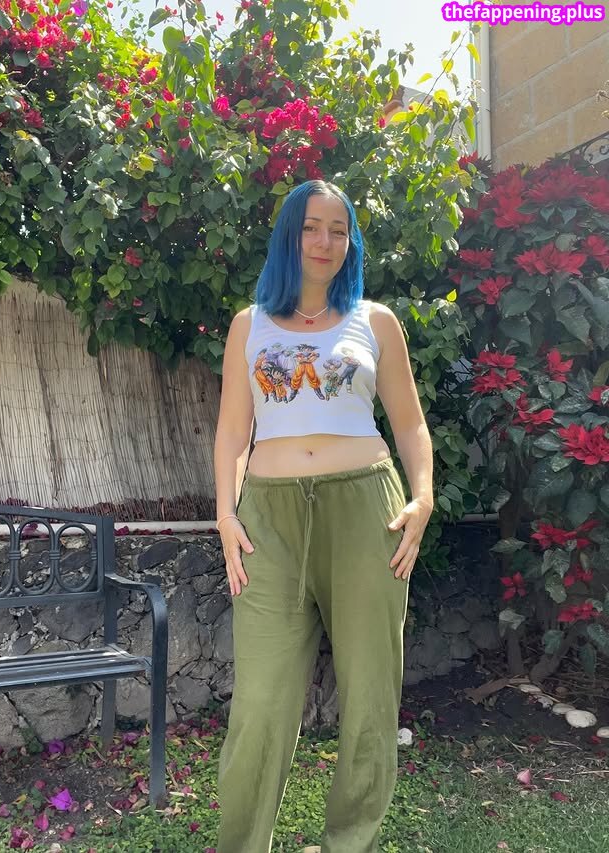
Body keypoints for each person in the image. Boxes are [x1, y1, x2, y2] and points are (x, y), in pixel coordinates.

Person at [213, 179, 434, 853]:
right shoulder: (249, 325)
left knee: (370, 697)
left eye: (339, 229)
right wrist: (225, 514)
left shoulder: (376, 321)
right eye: (311, 227)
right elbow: (232, 433)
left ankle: (350, 844)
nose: (324, 241)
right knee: (260, 703)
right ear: (290, 235)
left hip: (367, 510)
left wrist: (423, 497)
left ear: (351, 243)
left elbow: (410, 423)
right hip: (268, 520)